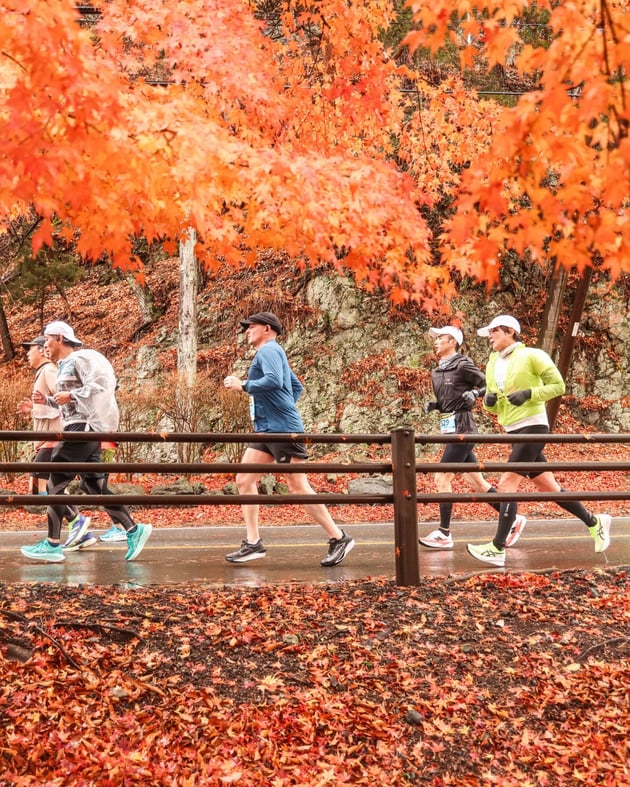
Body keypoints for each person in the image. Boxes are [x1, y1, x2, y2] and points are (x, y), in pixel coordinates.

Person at [466, 314, 612, 567]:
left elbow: (558, 386)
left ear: (510, 331)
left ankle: (497, 548)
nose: (489, 336)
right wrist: (489, 401)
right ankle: (594, 521)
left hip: (534, 425)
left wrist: (529, 394)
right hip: (512, 428)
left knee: (507, 482)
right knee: (549, 487)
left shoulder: (532, 355)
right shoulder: (492, 362)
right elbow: (493, 398)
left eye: (493, 331)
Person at [223, 311, 355, 566]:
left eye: (251, 326)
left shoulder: (269, 350)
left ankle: (338, 537)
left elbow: (274, 380)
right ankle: (253, 543)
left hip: (282, 429)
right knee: (244, 479)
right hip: (267, 429)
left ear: (267, 329)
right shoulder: (270, 352)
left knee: (298, 487)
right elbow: (295, 387)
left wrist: (244, 385)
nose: (247, 331)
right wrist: (280, 407)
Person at [20, 321, 152, 563]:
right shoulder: (65, 365)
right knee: (93, 487)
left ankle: (52, 544)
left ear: (59, 337)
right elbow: (71, 404)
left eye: (47, 339)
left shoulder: (79, 359)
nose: (44, 345)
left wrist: (69, 395)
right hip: (86, 429)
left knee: (54, 483)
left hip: (83, 429)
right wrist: (46, 402)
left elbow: (104, 386)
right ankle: (134, 530)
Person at [419, 325, 526, 550]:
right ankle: (513, 520)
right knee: (476, 481)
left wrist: (475, 393)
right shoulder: (437, 371)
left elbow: (488, 385)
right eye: (436, 339)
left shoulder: (462, 364)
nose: (436, 342)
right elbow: (450, 397)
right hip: (449, 428)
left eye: (441, 338)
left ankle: (444, 533)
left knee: (441, 478)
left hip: (464, 429)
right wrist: (437, 405)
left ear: (453, 342)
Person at [18, 335, 96, 550]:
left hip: (53, 439)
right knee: (44, 486)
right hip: (48, 439)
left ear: (42, 351)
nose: (27, 354)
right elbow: (54, 404)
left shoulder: (50, 371)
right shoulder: (43, 372)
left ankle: (74, 522)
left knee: (42, 485)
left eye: (30, 349)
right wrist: (33, 410)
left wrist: (59, 435)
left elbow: (65, 402)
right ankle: (80, 529)